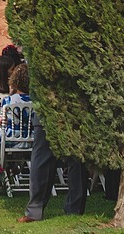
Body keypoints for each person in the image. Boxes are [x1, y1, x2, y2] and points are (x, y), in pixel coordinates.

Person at [22, 94, 87, 223]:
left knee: (75, 159)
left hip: (73, 109)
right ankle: (34, 211)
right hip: (44, 108)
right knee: (40, 161)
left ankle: (74, 209)